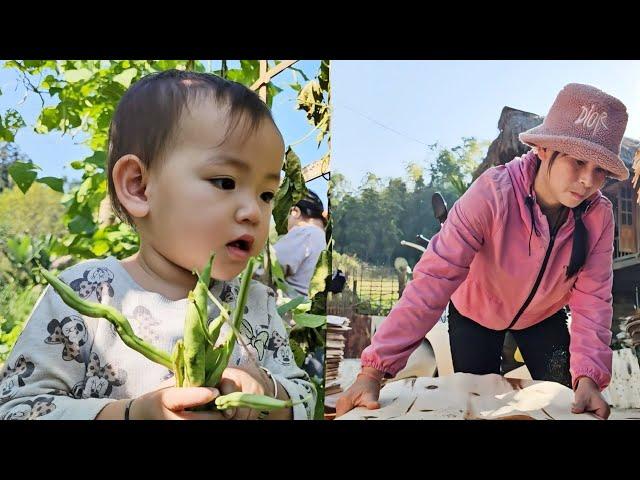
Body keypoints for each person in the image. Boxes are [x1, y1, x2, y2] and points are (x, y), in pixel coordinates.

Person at [0, 70, 316, 420]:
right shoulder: (87, 293)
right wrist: (132, 414)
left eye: (266, 194)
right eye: (226, 182)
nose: (254, 211)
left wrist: (268, 391)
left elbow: (303, 394)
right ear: (138, 186)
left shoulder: (257, 304)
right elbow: (17, 408)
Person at [337, 83, 629, 420]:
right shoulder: (492, 194)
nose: (587, 181)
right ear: (545, 149)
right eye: (578, 161)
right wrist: (373, 372)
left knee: (568, 401)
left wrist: (590, 378)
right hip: (474, 313)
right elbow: (433, 280)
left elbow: (593, 298)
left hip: (543, 317)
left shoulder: (598, 216)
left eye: (599, 171)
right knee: (475, 405)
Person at [273, 190, 327, 298]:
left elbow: (270, 264)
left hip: (290, 307)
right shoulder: (323, 238)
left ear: (295, 211)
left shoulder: (304, 232)